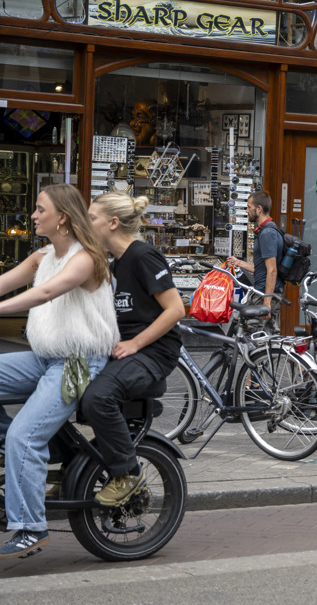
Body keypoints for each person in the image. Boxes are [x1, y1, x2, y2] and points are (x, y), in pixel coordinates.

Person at [0, 184, 118, 558]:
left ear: (62, 217)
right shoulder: (42, 256)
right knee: (22, 438)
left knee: (23, 436)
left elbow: (43, 294)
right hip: (45, 358)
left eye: (40, 209)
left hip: (77, 364)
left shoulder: (85, 258)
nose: (33, 216)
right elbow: (5, 282)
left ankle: (29, 528)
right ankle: (44, 445)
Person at [81, 192, 186, 506]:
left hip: (154, 353)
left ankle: (128, 474)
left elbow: (175, 309)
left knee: (98, 397)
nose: (86, 224)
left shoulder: (142, 256)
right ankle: (72, 465)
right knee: (62, 386)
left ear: (113, 223)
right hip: (130, 349)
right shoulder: (116, 261)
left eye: (91, 219)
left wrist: (135, 343)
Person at [226, 190, 282, 331]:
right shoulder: (265, 231)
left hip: (265, 294)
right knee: (255, 339)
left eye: (249, 207)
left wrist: (267, 302)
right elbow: (262, 268)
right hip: (261, 291)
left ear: (259, 209)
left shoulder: (267, 233)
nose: (246, 211)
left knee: (259, 341)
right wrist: (238, 263)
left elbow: (272, 270)